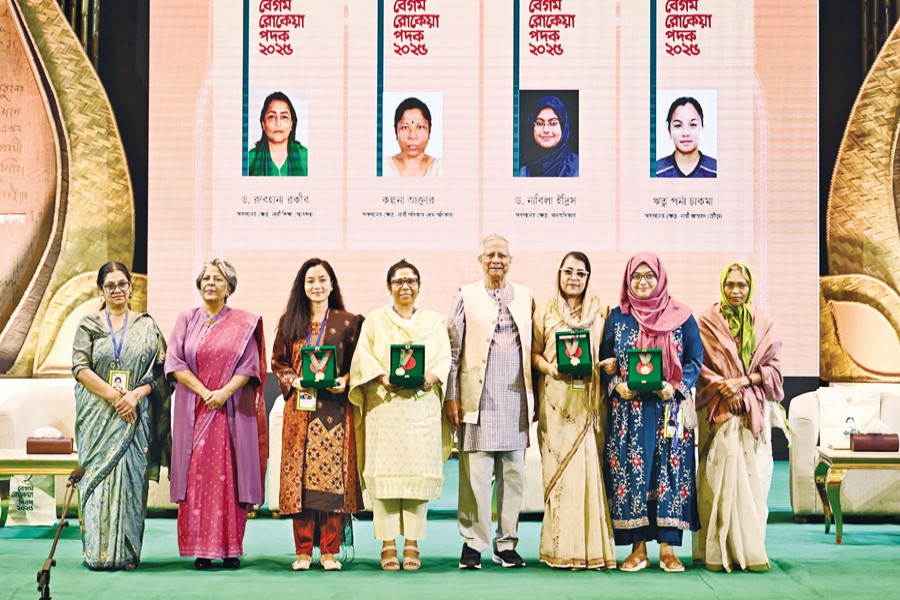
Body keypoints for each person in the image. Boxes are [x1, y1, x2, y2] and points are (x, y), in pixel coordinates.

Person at [600, 252, 702, 573]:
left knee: (668, 475)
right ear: (627, 281)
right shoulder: (617, 318)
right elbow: (606, 361)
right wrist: (617, 384)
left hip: (669, 410)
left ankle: (669, 549)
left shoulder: (682, 317)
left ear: (660, 279)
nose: (642, 283)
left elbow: (694, 360)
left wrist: (677, 385)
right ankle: (638, 548)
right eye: (636, 277)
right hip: (629, 413)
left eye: (649, 276)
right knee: (633, 475)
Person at [349, 259, 452, 571]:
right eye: (398, 281)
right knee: (385, 481)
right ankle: (388, 544)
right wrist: (382, 378)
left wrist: (430, 379)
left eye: (411, 281)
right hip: (386, 409)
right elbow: (363, 358)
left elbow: (443, 359)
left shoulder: (434, 322)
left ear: (419, 286)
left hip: (420, 410)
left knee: (416, 479)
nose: (405, 286)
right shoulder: (375, 321)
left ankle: (412, 544)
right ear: (389, 287)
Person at [165, 259, 268, 570]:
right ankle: (202, 550)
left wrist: (222, 394)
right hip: (194, 411)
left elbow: (249, 367)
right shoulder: (186, 319)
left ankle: (230, 549)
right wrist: (205, 392)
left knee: (229, 478)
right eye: (206, 278)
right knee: (197, 478)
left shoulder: (243, 323)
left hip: (231, 412)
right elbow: (175, 362)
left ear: (229, 287)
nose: (211, 283)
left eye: (218, 279)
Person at [72, 262, 170, 570]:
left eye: (122, 284)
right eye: (110, 285)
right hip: (98, 417)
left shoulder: (146, 325)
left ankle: (127, 552)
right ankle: (96, 552)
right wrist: (116, 397)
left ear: (130, 287)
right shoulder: (89, 325)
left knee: (131, 481)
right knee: (96, 481)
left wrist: (134, 396)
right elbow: (80, 369)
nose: (117, 290)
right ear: (100, 290)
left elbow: (160, 373)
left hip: (134, 417)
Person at [447, 234, 534, 570]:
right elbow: (453, 353)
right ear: (479, 260)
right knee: (476, 480)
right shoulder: (464, 296)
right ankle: (474, 543)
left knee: (514, 478)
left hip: (516, 406)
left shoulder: (525, 296)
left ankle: (507, 543)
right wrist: (452, 396)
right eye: (490, 255)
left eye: (502, 255)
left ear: (510, 261)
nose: (496, 260)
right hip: (477, 403)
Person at [272, 258, 364, 571]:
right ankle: (302, 552)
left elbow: (358, 364)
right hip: (300, 411)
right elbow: (279, 363)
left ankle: (328, 552)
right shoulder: (290, 321)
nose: (317, 286)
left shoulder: (349, 322)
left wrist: (345, 381)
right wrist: (294, 380)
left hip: (336, 411)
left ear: (332, 284)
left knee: (333, 483)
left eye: (323, 280)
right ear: (302, 285)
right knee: (300, 482)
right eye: (310, 280)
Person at [694, 262, 783, 572]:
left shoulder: (764, 322)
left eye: (741, 285)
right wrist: (724, 389)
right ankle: (717, 551)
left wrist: (742, 384)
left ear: (750, 287)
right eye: (730, 284)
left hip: (751, 411)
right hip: (719, 409)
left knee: (754, 479)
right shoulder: (707, 320)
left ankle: (750, 547)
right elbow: (698, 365)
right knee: (716, 479)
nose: (735, 290)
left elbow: (773, 370)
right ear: (722, 285)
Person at [531, 252, 617, 570]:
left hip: (589, 404)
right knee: (559, 476)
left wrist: (609, 364)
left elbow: (609, 354)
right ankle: (558, 549)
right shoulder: (545, 311)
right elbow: (535, 354)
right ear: (559, 274)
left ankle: (591, 550)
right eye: (568, 271)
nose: (573, 278)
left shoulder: (600, 312)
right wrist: (549, 368)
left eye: (580, 273)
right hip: (555, 402)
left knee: (588, 475)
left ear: (588, 278)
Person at [248, 91, 308, 176]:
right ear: (263, 124)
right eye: (272, 116)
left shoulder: (305, 157)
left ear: (291, 124)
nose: (278, 122)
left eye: (284, 117)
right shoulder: (250, 159)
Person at [656, 96, 717, 178]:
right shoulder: (657, 171)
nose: (686, 133)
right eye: (678, 126)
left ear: (702, 128)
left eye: (693, 125)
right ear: (669, 131)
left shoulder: (715, 170)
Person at [519, 95, 579, 177]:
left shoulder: (576, 166)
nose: (546, 130)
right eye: (539, 123)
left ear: (563, 127)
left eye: (553, 123)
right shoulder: (520, 166)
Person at [385, 97, 442, 177]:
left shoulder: (440, 168)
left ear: (430, 130)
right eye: (405, 127)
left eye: (420, 127)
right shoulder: (383, 168)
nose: (412, 136)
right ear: (396, 130)